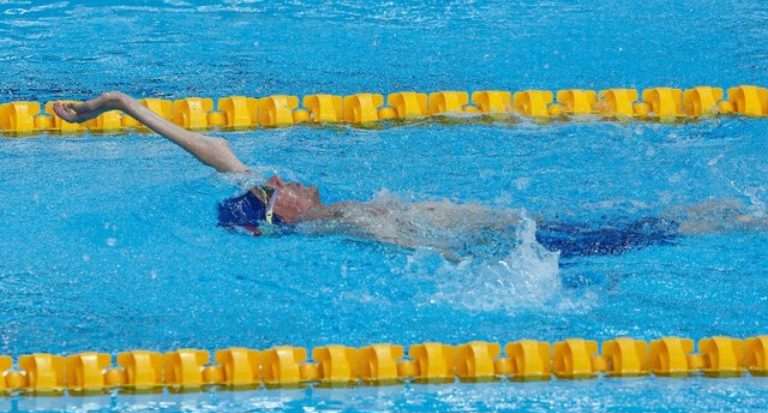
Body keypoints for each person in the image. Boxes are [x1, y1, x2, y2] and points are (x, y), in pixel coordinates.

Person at [53, 92, 766, 259]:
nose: (288, 183)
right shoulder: (335, 220)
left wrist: (115, 103)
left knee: (618, 226)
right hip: (493, 243)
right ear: (282, 217)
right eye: (278, 194)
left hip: (490, 230)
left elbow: (209, 148)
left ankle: (722, 216)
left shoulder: (291, 200)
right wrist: (456, 254)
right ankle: (729, 220)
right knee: (616, 235)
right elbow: (404, 240)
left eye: (273, 184)